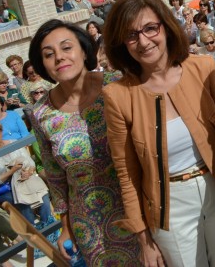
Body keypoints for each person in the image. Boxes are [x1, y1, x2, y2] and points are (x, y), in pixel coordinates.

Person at [102, 0, 215, 266]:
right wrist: (144, 240)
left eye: (150, 28)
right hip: (169, 205)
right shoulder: (117, 96)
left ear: (165, 26)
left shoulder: (203, 68)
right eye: (131, 35)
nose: (143, 41)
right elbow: (127, 172)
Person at [27, 19, 142, 264]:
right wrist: (65, 227)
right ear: (43, 65)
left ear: (83, 50)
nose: (59, 57)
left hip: (140, 207)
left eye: (66, 47)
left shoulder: (118, 84)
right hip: (90, 226)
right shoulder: (40, 114)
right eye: (49, 54)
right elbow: (56, 178)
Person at [0, 119, 53, 226]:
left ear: (1, 131)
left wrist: (29, 172)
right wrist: (12, 171)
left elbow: (31, 163)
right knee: (22, 201)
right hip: (6, 187)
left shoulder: (13, 143)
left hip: (25, 179)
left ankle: (48, 225)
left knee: (43, 194)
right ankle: (32, 230)